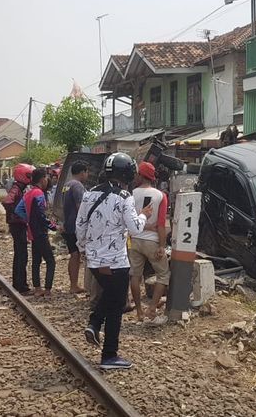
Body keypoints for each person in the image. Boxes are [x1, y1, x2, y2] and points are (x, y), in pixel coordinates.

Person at [76, 152, 152, 370]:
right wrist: (144, 214)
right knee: (116, 306)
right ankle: (109, 355)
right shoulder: (124, 196)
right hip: (116, 262)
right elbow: (135, 228)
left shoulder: (90, 194)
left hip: (94, 261)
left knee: (110, 296)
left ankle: (94, 323)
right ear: (127, 173)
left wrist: (84, 250)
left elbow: (80, 225)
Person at [129, 161, 169, 323]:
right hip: (152, 241)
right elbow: (161, 224)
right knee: (163, 274)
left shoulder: (130, 194)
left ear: (140, 176)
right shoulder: (161, 196)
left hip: (134, 240)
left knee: (135, 275)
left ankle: (139, 311)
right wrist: (162, 245)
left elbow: (129, 219)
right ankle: (151, 309)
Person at [16, 168, 57, 297]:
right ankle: (48, 289)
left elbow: (18, 210)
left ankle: (37, 288)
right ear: (42, 179)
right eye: (46, 177)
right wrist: (53, 226)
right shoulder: (39, 194)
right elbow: (40, 214)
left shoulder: (28, 193)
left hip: (32, 232)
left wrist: (28, 219)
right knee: (50, 261)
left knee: (36, 261)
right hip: (40, 232)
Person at [1, 163, 34, 294]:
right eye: (29, 175)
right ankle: (21, 285)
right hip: (18, 226)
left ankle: (19, 283)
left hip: (17, 225)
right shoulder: (17, 188)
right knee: (21, 255)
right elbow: (7, 201)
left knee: (20, 254)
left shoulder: (20, 187)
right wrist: (17, 214)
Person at [61, 161, 89, 294]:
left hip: (67, 224)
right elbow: (81, 207)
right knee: (76, 255)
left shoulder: (66, 185)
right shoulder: (78, 186)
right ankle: (74, 285)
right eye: (86, 172)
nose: (87, 175)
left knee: (74, 254)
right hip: (75, 227)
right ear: (82, 172)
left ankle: (73, 284)